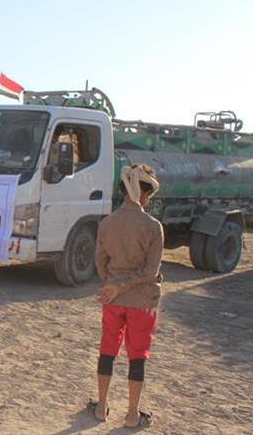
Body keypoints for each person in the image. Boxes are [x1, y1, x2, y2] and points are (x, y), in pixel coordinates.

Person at [88, 164, 162, 429]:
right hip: (143, 302)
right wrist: (123, 287)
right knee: (137, 354)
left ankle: (101, 406)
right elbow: (150, 272)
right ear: (144, 194)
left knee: (108, 348)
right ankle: (132, 414)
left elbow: (100, 264)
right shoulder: (153, 227)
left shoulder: (107, 223)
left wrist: (114, 287)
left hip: (112, 300)